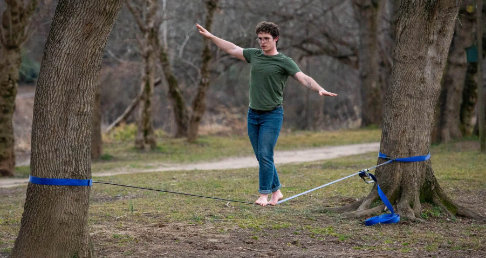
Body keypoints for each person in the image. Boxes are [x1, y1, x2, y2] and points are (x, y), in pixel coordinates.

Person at [196, 21, 337, 206]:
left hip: (272, 115)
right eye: (260, 39)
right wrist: (211, 37)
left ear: (275, 39)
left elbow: (303, 77)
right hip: (253, 115)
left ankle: (264, 194)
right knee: (262, 156)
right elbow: (232, 49)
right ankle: (276, 191)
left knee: (265, 154)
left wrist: (319, 89)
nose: (262, 42)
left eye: (266, 39)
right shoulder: (254, 55)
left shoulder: (284, 61)